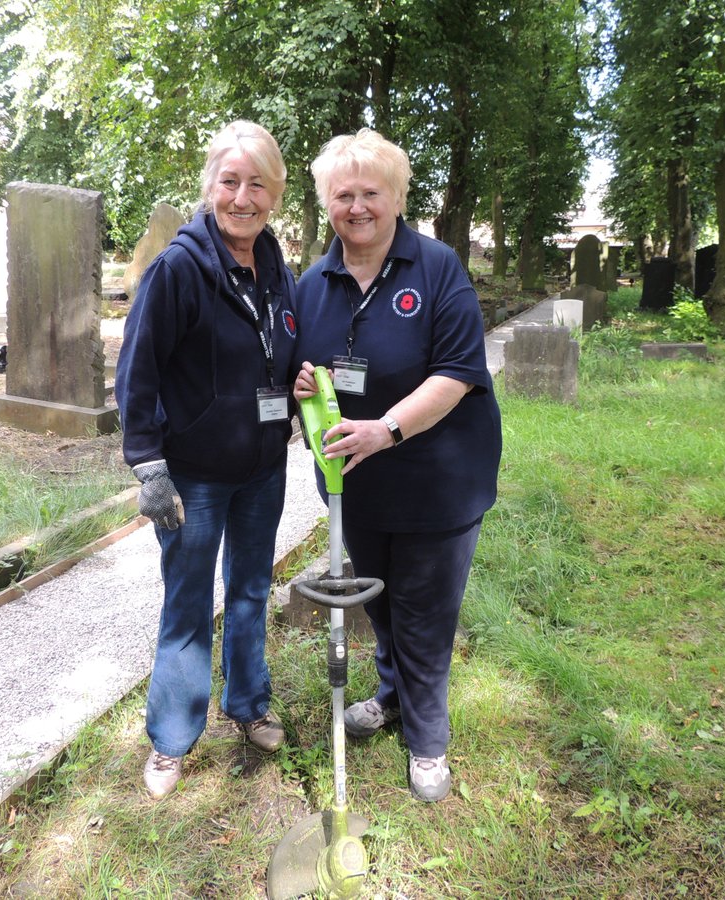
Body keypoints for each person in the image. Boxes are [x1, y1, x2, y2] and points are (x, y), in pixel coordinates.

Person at [291, 129, 501, 802]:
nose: (357, 207)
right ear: (327, 203)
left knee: (425, 613)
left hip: (441, 477)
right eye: (342, 194)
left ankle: (429, 741)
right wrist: (300, 387)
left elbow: (460, 373)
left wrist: (386, 428)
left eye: (370, 193)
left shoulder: (437, 268)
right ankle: (390, 695)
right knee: (380, 604)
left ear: (398, 197)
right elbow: (302, 374)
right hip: (357, 487)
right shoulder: (311, 287)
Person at [114, 121, 298, 800]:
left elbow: (283, 352)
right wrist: (148, 464)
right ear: (209, 187)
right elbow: (138, 372)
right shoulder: (178, 269)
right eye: (230, 181)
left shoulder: (276, 267)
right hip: (193, 475)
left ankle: (248, 704)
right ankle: (170, 740)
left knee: (250, 590)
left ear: (274, 194)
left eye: (257, 184)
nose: (242, 197)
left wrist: (302, 394)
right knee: (189, 603)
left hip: (262, 468)